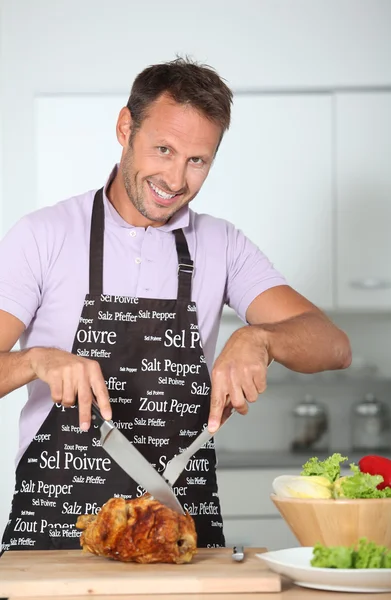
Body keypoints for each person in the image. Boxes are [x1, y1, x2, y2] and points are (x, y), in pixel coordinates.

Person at [0, 57, 351, 552]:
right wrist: (36, 360)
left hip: (178, 536)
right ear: (126, 128)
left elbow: (334, 346)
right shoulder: (44, 236)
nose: (176, 178)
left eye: (197, 160)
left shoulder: (222, 246)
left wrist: (260, 338)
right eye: (163, 149)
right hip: (54, 535)